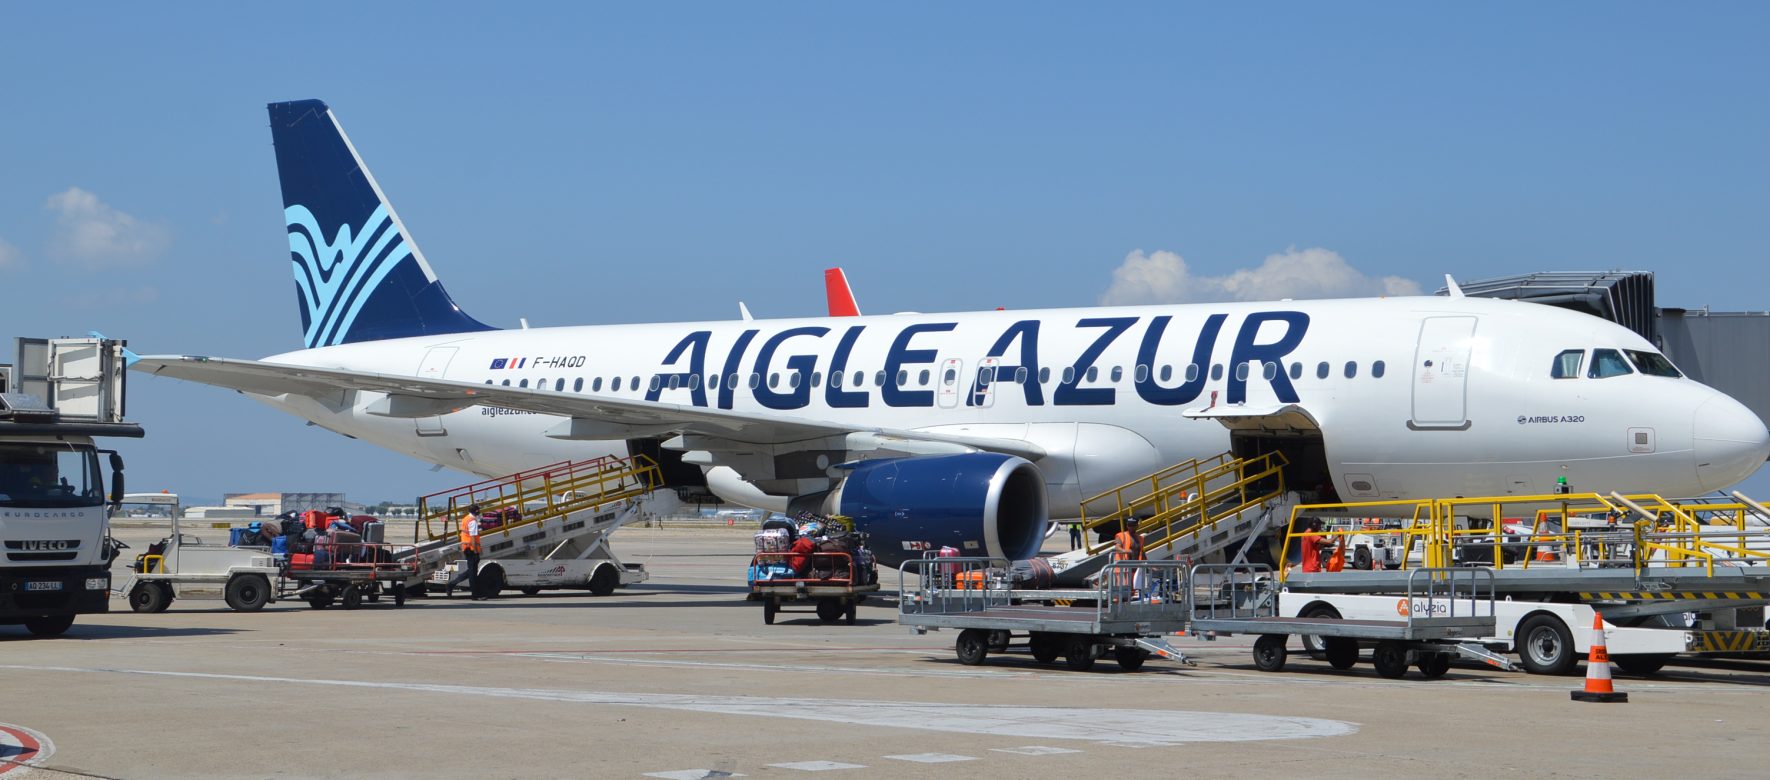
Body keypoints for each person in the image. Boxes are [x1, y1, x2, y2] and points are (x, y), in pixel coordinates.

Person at [450, 503, 484, 599]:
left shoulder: (466, 518)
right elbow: (473, 537)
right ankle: (475, 595)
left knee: (471, 571)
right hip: (471, 549)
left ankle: (452, 584)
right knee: (473, 573)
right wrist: (477, 551)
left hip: (466, 547)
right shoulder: (472, 521)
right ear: (476, 511)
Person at [1113, 519, 1146, 597]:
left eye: (1133, 525)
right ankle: (1118, 606)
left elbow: (1142, 553)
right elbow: (1117, 547)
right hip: (1123, 569)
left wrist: (1152, 565)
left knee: (1133, 590)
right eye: (1129, 525)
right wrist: (1125, 551)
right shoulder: (1121, 535)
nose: (1130, 527)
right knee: (1122, 591)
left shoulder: (1140, 538)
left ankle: (1129, 605)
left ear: (1137, 526)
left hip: (1136, 568)